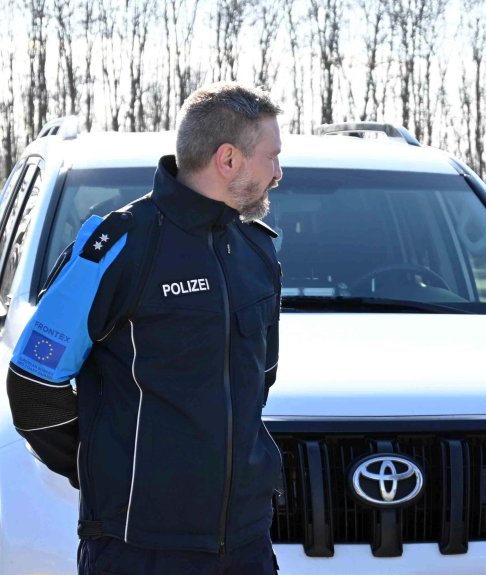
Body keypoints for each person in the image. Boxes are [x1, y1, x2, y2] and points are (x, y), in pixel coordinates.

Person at [6, 82, 284, 574]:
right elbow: (32, 382)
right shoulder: (118, 247)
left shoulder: (257, 251)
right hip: (140, 549)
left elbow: (259, 380)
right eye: (271, 157)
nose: (278, 174)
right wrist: (106, 471)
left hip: (245, 545)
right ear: (228, 159)